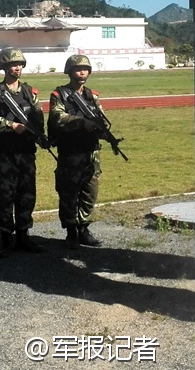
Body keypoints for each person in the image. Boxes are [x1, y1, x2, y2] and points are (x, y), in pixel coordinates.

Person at [0, 47, 46, 257]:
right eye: (13, 65)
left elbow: (37, 119)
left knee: (27, 194)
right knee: (6, 194)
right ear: (4, 67)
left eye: (19, 64)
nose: (17, 68)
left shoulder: (29, 92)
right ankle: (6, 238)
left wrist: (40, 135)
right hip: (5, 153)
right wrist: (10, 125)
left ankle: (24, 235)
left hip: (26, 152)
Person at [48, 54, 112, 249]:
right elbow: (58, 117)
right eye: (78, 69)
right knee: (69, 191)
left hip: (91, 151)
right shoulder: (59, 95)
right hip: (70, 151)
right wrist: (81, 122)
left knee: (89, 191)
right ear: (70, 72)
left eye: (85, 69)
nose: (82, 72)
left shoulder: (92, 95)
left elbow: (101, 117)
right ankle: (71, 231)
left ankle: (84, 228)